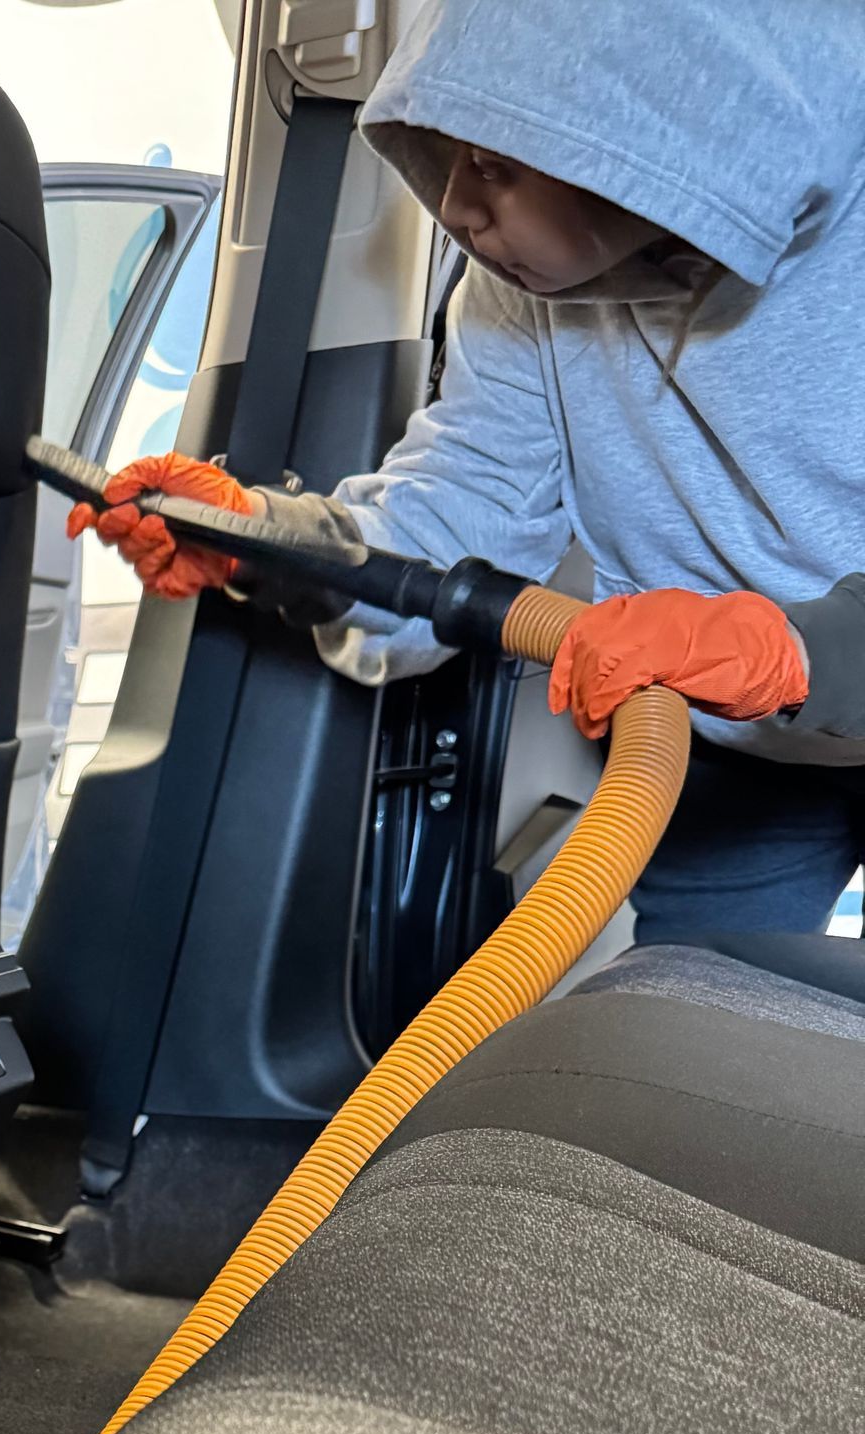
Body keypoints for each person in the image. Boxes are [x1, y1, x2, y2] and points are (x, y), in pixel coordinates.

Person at [72, 0, 865, 942]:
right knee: (688, 1042)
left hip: (808, 667)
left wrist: (809, 652)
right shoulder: (520, 297)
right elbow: (462, 516)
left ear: (661, 139)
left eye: (496, 165)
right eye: (452, 153)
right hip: (732, 740)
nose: (453, 203)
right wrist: (279, 544)